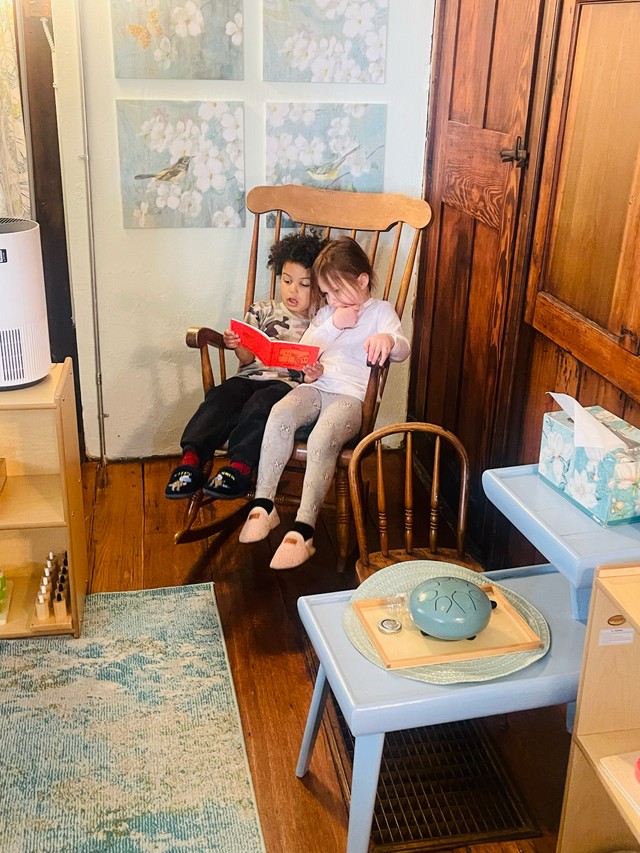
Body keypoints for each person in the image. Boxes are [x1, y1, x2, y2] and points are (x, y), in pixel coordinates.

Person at [238, 236, 410, 569]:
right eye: (326, 293)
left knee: (322, 437)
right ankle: (264, 504)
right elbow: (308, 346)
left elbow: (403, 348)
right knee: (280, 413)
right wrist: (331, 326)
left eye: (335, 291)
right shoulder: (327, 314)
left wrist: (387, 338)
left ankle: (304, 528)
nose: (330, 299)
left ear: (361, 281)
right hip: (318, 386)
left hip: (351, 398)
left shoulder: (380, 312)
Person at [164, 231, 326, 500]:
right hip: (249, 376)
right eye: (286, 281)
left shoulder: (322, 320)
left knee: (261, 406)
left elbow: (326, 363)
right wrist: (235, 342)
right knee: (219, 398)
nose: (292, 290)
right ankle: (191, 461)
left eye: (304, 284)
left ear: (319, 285)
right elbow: (246, 358)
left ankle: (239, 468)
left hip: (286, 387)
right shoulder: (263, 310)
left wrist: (314, 372)